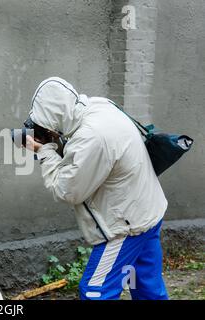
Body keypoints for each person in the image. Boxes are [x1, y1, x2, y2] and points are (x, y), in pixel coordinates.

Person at [24, 77, 169, 300]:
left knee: (95, 291)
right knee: (148, 290)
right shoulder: (100, 105)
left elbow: (68, 191)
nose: (44, 130)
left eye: (45, 124)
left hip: (126, 227)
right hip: (147, 212)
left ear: (57, 117)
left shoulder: (91, 137)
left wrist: (45, 152)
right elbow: (88, 160)